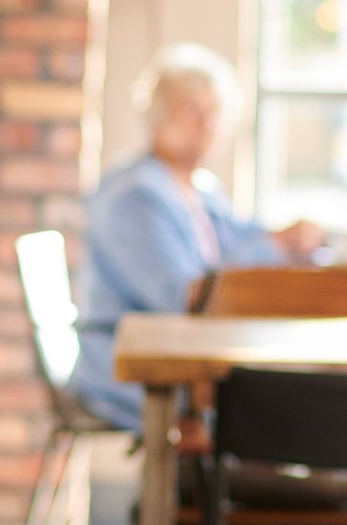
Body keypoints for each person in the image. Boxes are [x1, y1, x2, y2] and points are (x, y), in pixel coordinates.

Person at [71, 43, 325, 431]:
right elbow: (186, 295)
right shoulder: (137, 195)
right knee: (279, 401)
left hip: (182, 361)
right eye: (191, 110)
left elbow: (242, 240)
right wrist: (275, 246)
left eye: (214, 112)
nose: (206, 124)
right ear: (157, 118)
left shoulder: (199, 187)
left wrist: (291, 239)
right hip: (130, 372)